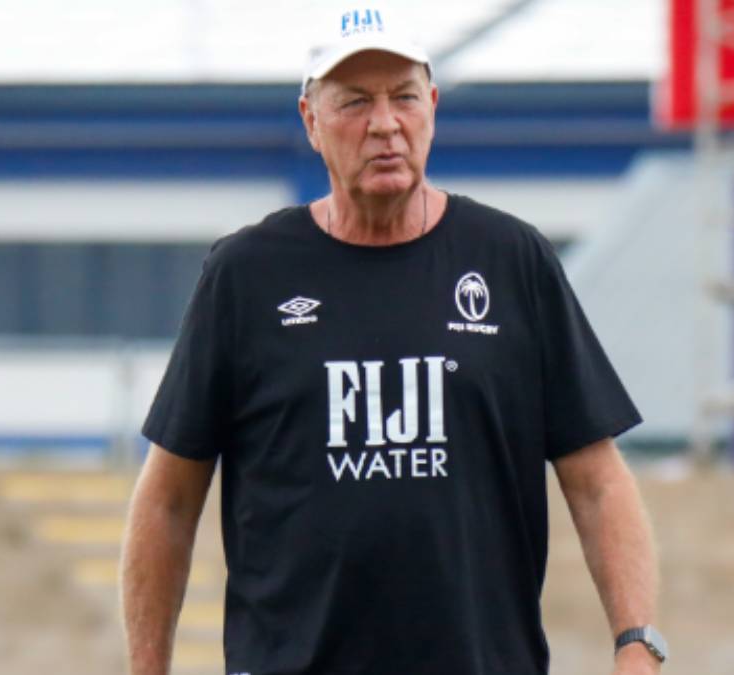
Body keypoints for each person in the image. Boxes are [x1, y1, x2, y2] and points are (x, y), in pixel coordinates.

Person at [120, 6, 665, 674]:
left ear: (432, 107)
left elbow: (598, 481)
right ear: (311, 121)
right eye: (354, 102)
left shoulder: (511, 260)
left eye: (403, 97)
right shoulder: (246, 275)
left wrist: (637, 642)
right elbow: (169, 499)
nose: (385, 123)